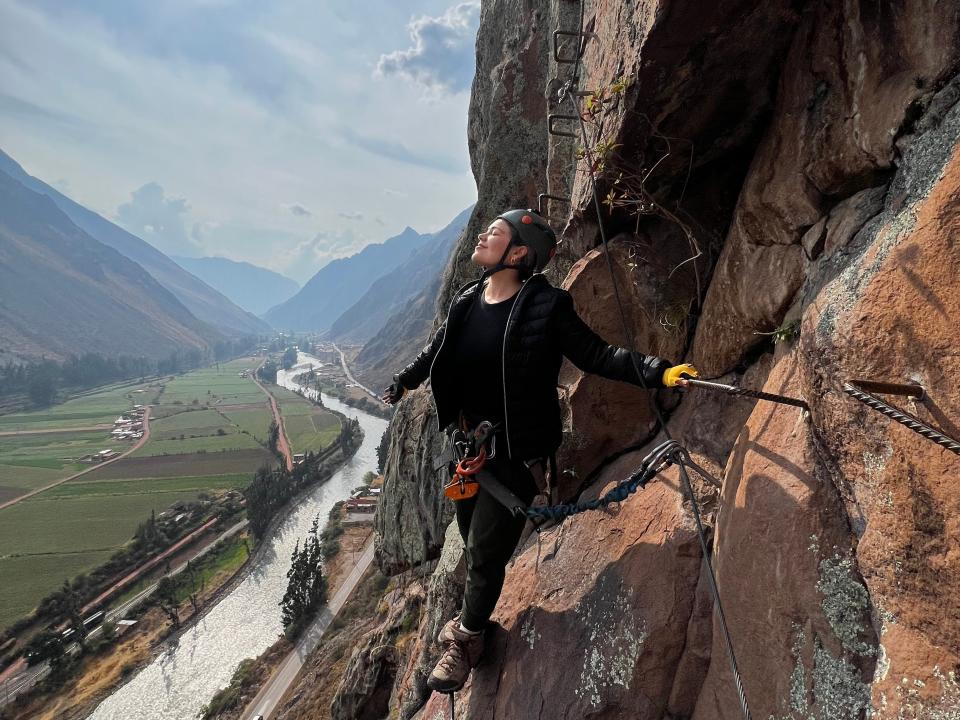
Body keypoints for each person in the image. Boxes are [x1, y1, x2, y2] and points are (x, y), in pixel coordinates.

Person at [381, 208, 696, 693]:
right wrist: (405, 381)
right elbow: (436, 350)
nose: (485, 234)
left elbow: (598, 355)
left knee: (485, 550)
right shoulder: (468, 300)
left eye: (497, 232)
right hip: (471, 453)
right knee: (473, 541)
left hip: (515, 455)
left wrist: (660, 370)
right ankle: (479, 624)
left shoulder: (547, 305)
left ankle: (465, 640)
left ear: (519, 251)